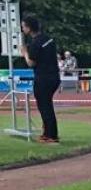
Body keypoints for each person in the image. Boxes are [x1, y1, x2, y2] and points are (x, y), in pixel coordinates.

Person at [19, 14, 60, 143]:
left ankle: (51, 135)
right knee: (47, 105)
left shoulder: (35, 43)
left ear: (29, 28)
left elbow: (31, 63)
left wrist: (24, 52)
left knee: (44, 106)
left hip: (43, 78)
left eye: (23, 26)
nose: (22, 29)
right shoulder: (48, 39)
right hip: (54, 77)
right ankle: (48, 131)